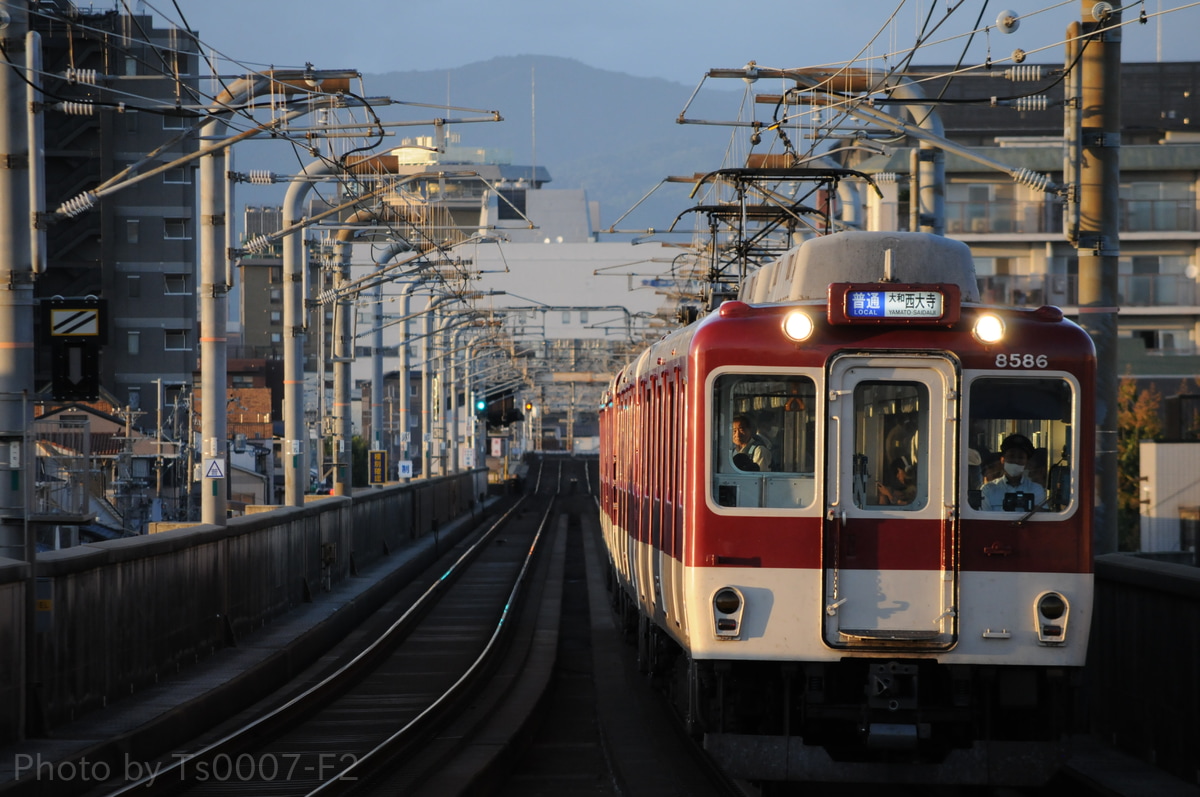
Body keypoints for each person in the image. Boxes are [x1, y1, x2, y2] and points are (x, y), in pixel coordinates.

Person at [981, 433, 1046, 512]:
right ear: (1002, 460)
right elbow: (985, 519)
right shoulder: (988, 490)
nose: (1016, 461)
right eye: (1011, 456)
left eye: (1021, 457)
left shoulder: (1036, 489)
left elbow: (1041, 518)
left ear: (1026, 463)